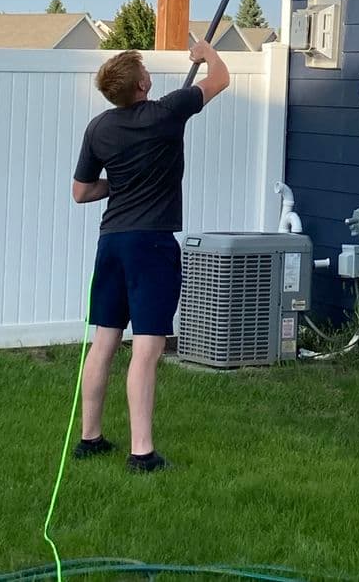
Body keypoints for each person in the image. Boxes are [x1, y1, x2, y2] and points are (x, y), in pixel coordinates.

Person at [71, 40, 229, 472]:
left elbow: (82, 192)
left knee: (104, 341)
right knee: (147, 348)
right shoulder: (167, 111)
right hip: (152, 245)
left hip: (113, 243)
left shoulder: (98, 127)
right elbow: (221, 79)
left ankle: (90, 438)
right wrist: (206, 52)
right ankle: (142, 453)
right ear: (143, 82)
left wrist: (117, 185)